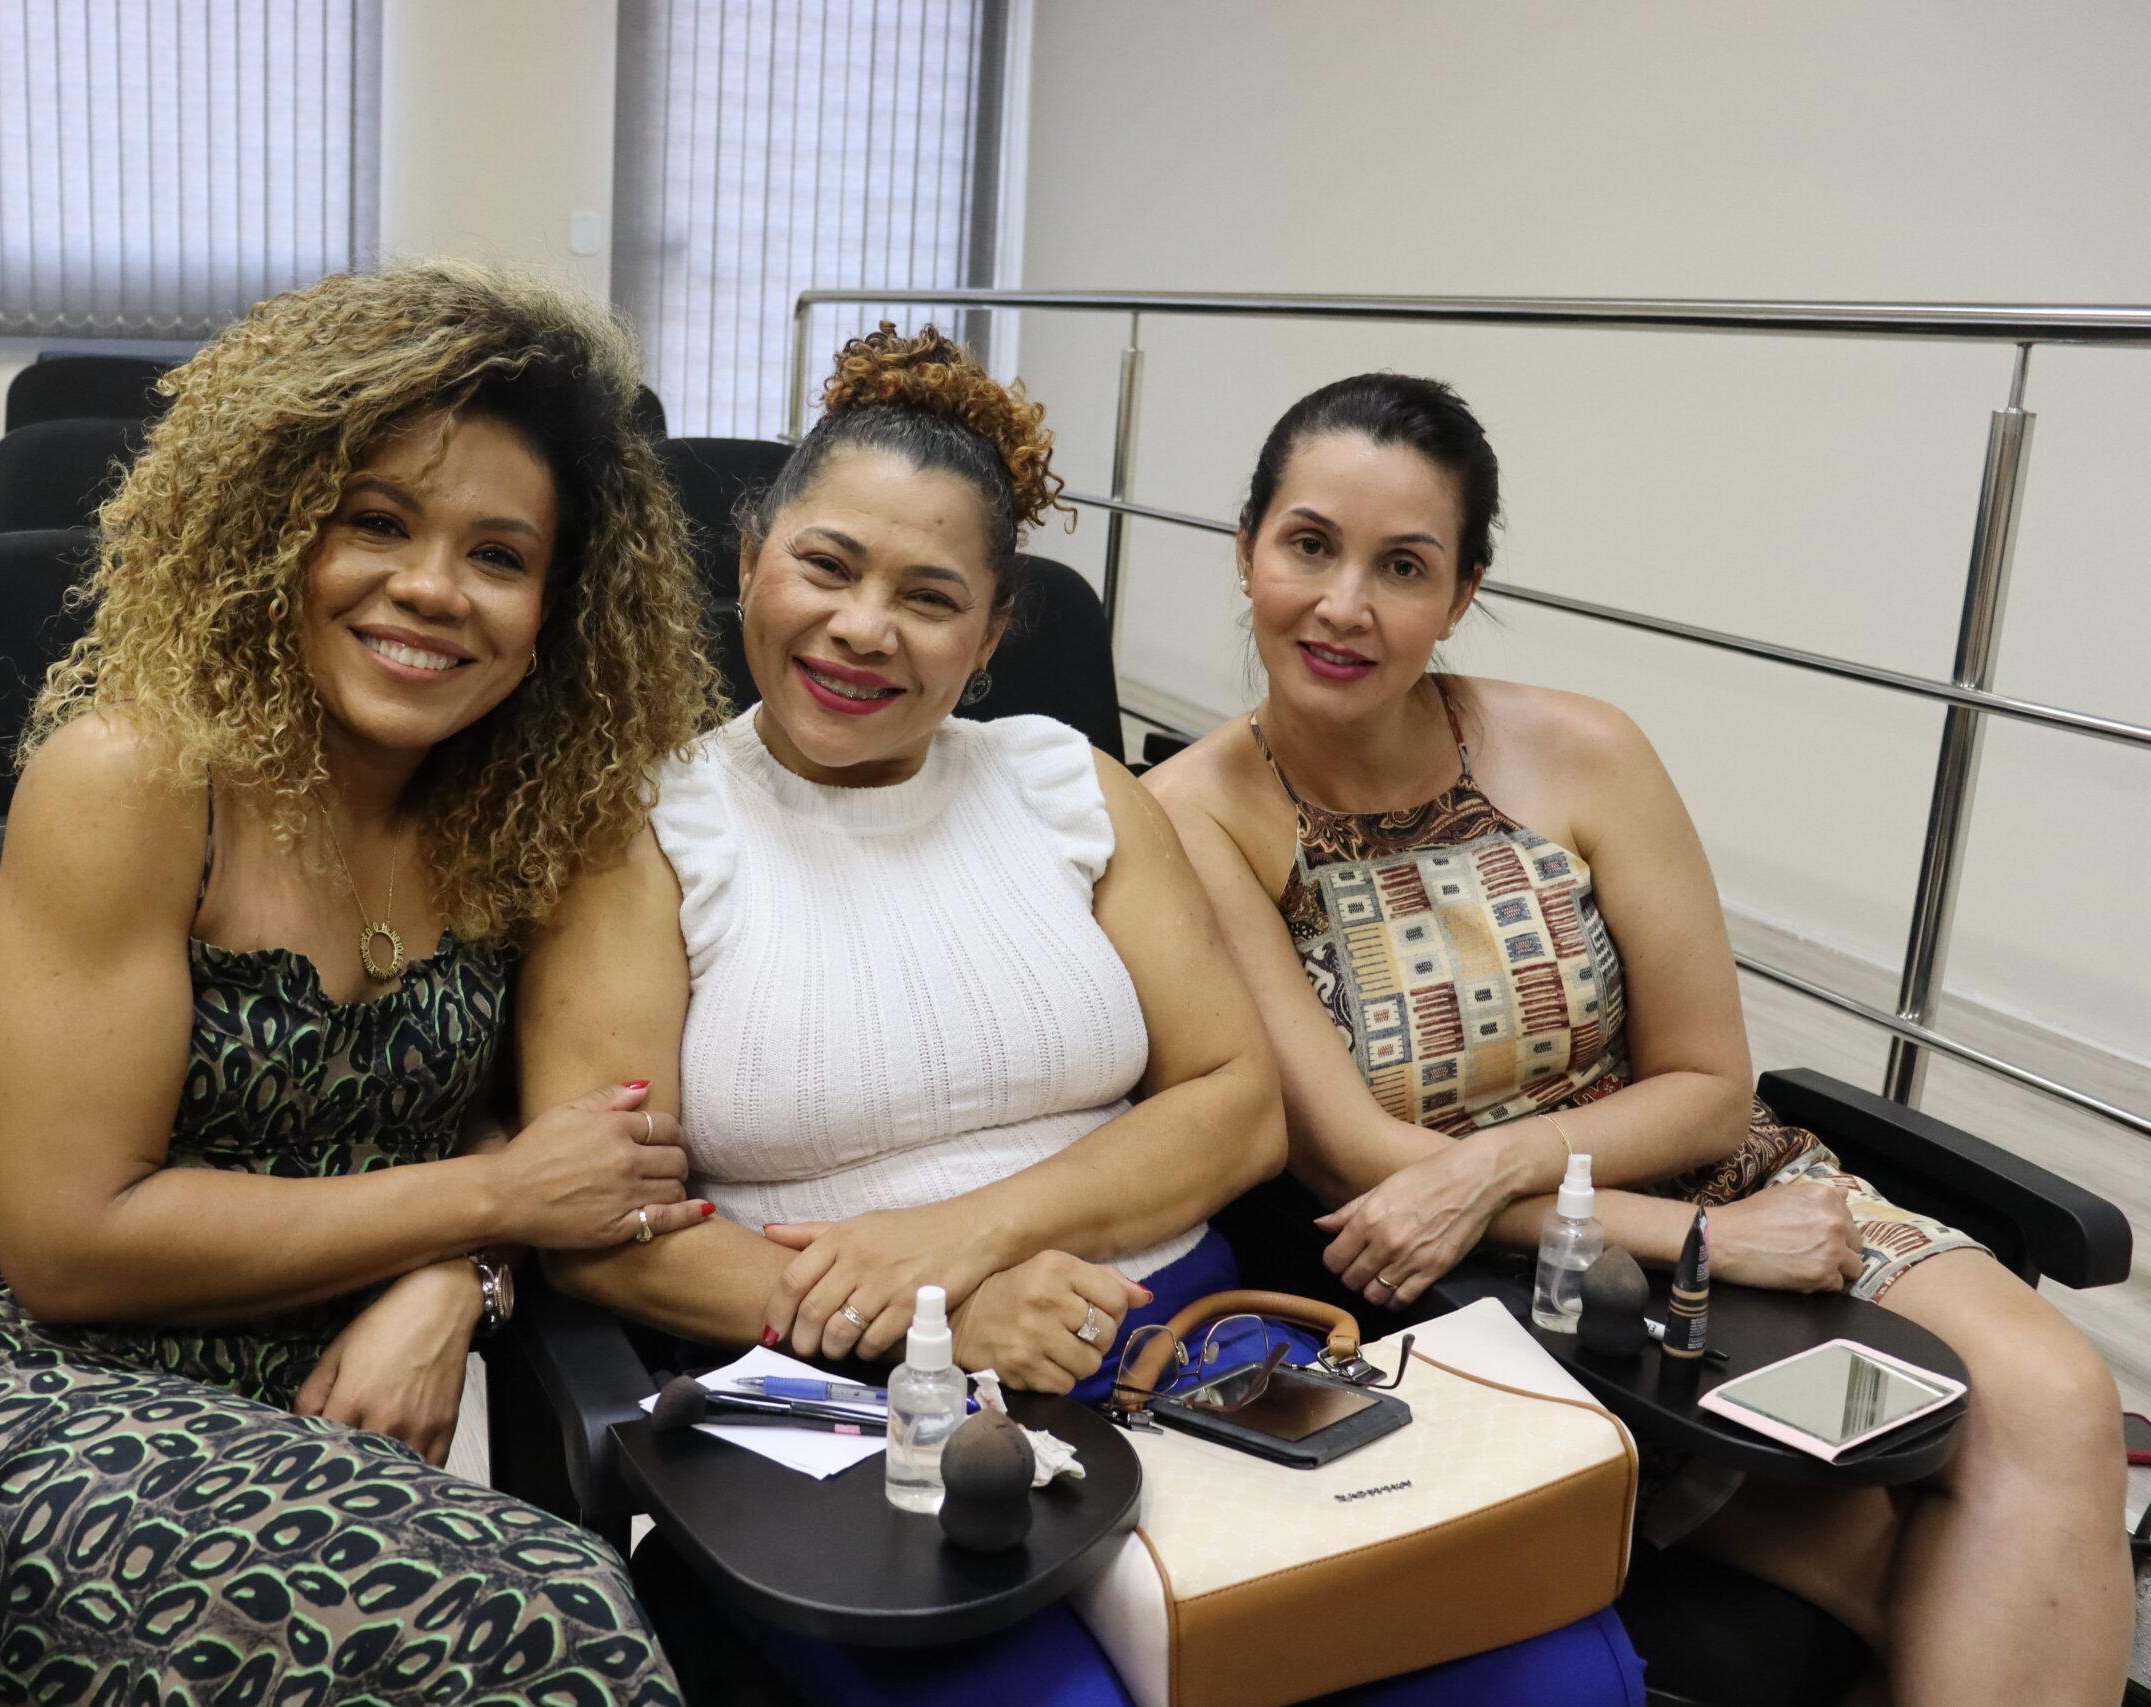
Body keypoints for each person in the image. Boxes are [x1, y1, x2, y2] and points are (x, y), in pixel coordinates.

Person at [520, 328, 1643, 1706]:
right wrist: (931, 1322)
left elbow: (1236, 1106)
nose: (864, 626)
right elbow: (604, 1229)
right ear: (752, 557)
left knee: (1546, 1664)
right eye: (826, 566)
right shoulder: (646, 828)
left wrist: (971, 1241)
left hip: (1178, 1345)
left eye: (930, 597)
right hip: (833, 1402)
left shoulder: (1072, 787)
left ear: (992, 633)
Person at [1145, 371, 2130, 1707]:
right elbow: (1363, 1164)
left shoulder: (1586, 750)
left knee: (2059, 1400)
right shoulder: (1193, 816)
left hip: (1732, 1190)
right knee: (1923, 1556)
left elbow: (1711, 1086)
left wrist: (1535, 1171)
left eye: (1405, 567)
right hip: (1509, 1291)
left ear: (1464, 592)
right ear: (1247, 546)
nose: (1344, 605)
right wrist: (1699, 1241)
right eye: (1308, 545)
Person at [0, 262, 720, 1707]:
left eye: (500, 556)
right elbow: (71, 1241)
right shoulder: (136, 780)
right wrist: (484, 1207)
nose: (432, 589)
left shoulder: (523, 817)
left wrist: (452, 1276)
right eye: (378, 523)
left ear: (556, 612)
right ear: (272, 532)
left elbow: (566, 1147)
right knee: (546, 1623)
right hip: (36, 1398)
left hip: (320, 1411)